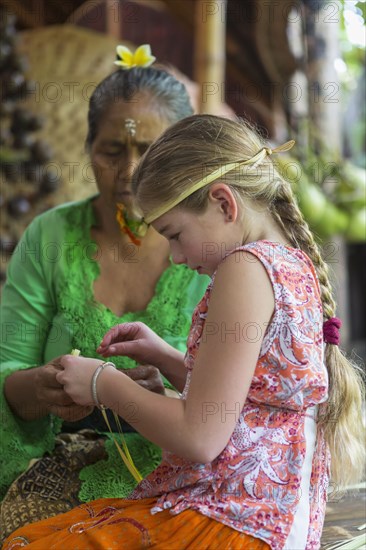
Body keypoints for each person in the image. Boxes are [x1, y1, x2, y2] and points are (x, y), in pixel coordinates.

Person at [4, 114, 365, 550]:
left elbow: (199, 437)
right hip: (271, 521)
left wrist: (103, 384)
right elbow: (250, 399)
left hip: (235, 524)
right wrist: (165, 357)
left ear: (223, 203)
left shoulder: (245, 269)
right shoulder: (288, 263)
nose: (175, 256)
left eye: (174, 234)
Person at [0, 46, 209, 538]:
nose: (129, 171)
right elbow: (8, 373)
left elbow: (248, 396)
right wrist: (42, 387)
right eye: (112, 151)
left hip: (188, 483)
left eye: (148, 151)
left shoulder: (213, 246)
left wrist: (170, 396)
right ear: (88, 148)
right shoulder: (50, 238)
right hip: (62, 475)